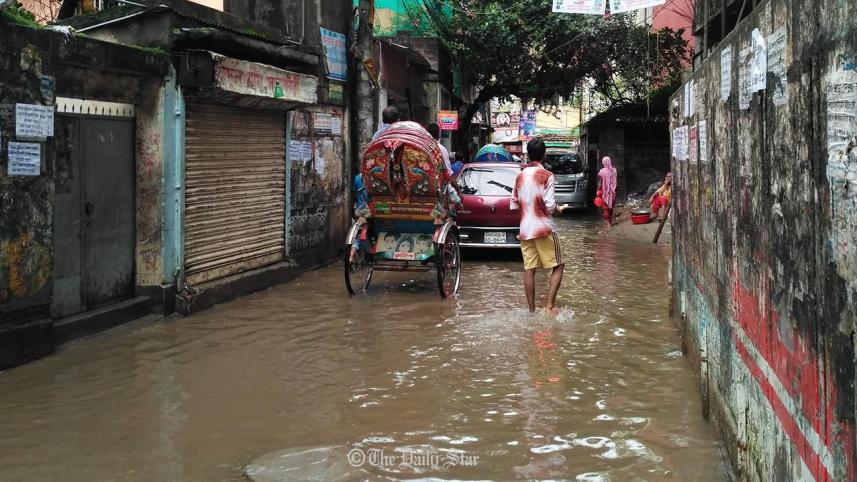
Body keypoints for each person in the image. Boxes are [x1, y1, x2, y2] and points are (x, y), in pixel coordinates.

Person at [510, 137, 568, 315]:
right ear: (544, 155)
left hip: (526, 230)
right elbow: (550, 205)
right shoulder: (548, 176)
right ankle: (550, 306)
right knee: (558, 265)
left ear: (528, 155)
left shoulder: (519, 176)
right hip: (544, 228)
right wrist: (559, 208)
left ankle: (531, 310)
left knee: (529, 270)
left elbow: (513, 206)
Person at [597, 156, 618, 226]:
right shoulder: (614, 170)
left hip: (605, 191)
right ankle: (610, 222)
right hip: (613, 191)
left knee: (605, 207)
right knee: (611, 207)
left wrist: (598, 189)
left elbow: (600, 182)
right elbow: (615, 181)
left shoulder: (602, 171)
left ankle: (607, 222)